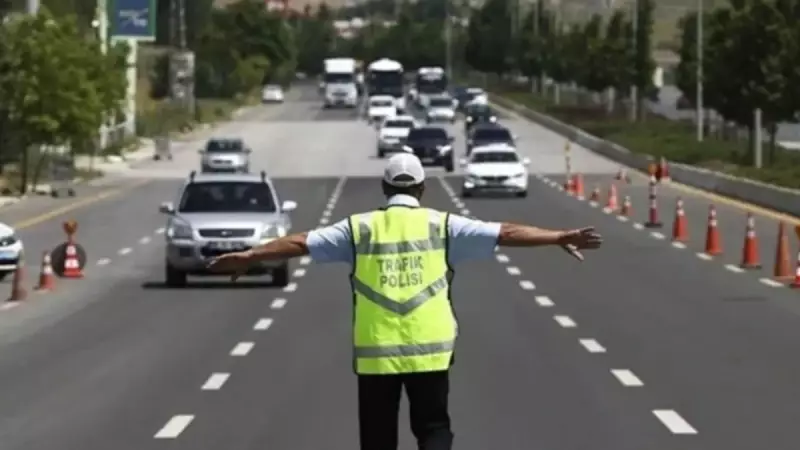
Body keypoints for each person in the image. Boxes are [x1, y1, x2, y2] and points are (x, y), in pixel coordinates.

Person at [207, 153, 603, 450]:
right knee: (433, 428)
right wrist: (557, 236)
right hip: (429, 350)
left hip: (377, 351)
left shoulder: (358, 228)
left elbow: (299, 242)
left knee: (378, 436)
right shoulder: (444, 225)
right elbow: (507, 232)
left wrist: (250, 255)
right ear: (421, 189)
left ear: (384, 189)